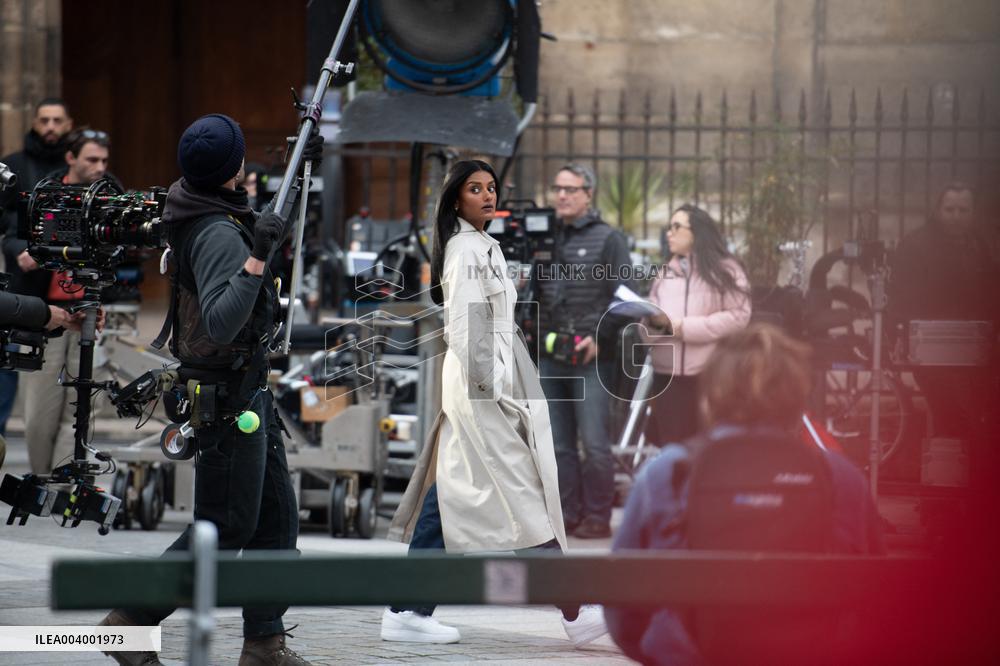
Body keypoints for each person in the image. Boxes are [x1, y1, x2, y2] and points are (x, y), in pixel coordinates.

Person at [99, 114, 322, 666]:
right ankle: (127, 624)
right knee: (224, 526)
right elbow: (223, 321)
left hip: (244, 388)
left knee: (274, 520)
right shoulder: (220, 231)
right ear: (233, 167)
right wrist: (254, 258)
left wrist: (299, 178)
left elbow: (257, 227)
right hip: (224, 396)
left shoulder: (196, 202)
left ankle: (265, 643)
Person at [385, 160, 606, 647]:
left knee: (450, 497)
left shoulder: (480, 245)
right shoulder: (467, 249)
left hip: (486, 387)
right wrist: (497, 393)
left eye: (491, 188)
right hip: (484, 391)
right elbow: (468, 329)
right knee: (526, 496)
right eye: (474, 189)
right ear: (456, 199)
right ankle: (575, 610)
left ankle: (407, 609)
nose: (486, 195)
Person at [605, 323, 886, 665]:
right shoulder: (841, 478)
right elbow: (874, 598)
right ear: (798, 392)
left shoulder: (668, 473)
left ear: (711, 393)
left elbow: (623, 610)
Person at [15, 127, 120, 474]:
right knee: (40, 409)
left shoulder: (109, 194)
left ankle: (65, 478)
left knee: (84, 406)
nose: (99, 167)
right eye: (92, 159)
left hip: (90, 310)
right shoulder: (46, 192)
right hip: (45, 313)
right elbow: (13, 235)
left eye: (104, 160)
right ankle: (42, 478)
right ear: (71, 158)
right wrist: (26, 252)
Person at [536, 163, 633, 539]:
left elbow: (623, 296)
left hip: (592, 357)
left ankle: (597, 517)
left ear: (588, 194)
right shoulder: (543, 238)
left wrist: (599, 336)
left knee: (594, 443)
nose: (562, 195)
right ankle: (567, 515)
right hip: (549, 353)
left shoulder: (609, 238)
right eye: (558, 188)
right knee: (558, 445)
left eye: (571, 189)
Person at [888, 183, 999, 461]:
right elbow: (903, 298)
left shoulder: (977, 244)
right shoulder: (915, 245)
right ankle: (949, 482)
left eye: (963, 210)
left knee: (974, 415)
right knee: (958, 415)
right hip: (932, 349)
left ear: (973, 213)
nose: (956, 216)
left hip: (974, 349)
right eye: (950, 209)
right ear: (937, 210)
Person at [642, 204, 751, 445]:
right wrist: (650, 323)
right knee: (672, 451)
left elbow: (739, 317)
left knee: (709, 450)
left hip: (708, 376)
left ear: (696, 232)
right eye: (668, 227)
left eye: (676, 227)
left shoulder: (726, 270)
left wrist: (682, 327)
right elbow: (646, 332)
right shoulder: (664, 274)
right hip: (667, 378)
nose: (669, 233)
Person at [0, 98, 74, 437]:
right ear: (34, 122)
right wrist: (20, 251)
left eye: (57, 121)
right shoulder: (13, 165)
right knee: (8, 367)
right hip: (24, 283)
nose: (50, 127)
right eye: (44, 120)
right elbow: (7, 226)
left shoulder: (75, 167)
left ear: (68, 124)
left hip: (65, 286)